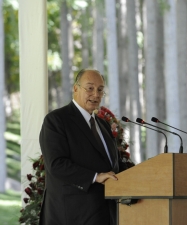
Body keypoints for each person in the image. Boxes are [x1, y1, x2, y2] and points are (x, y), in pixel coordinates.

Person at [39, 69, 127, 225]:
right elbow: (56, 164)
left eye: (100, 90)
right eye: (90, 88)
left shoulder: (103, 125)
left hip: (105, 213)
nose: (96, 94)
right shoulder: (57, 120)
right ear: (75, 88)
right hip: (73, 215)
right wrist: (95, 176)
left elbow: (112, 165)